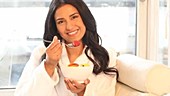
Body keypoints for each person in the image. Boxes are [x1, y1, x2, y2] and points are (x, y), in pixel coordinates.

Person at [14, 0, 118, 96]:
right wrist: (49, 65)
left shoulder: (105, 55)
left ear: (84, 18)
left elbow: (106, 93)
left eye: (74, 17)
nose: (69, 26)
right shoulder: (41, 53)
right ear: (55, 27)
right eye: (61, 22)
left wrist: (82, 92)